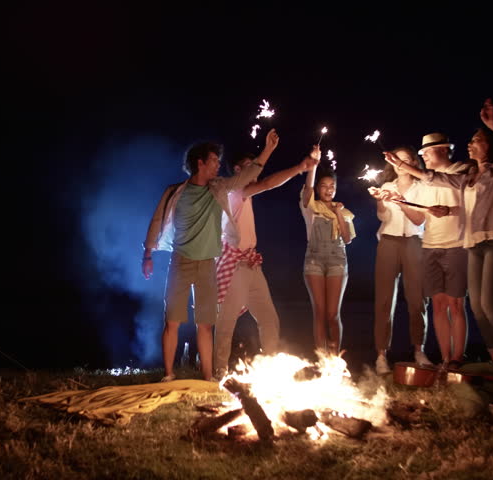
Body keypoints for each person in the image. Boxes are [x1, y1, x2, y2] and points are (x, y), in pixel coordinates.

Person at [385, 98, 493, 369]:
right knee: (478, 308)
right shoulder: (467, 179)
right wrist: (402, 170)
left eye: (477, 140)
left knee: (487, 304)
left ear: (490, 146)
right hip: (473, 244)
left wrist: (492, 125)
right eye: (471, 140)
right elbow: (433, 179)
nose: (470, 144)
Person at [142, 130, 278, 382]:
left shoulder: (219, 188)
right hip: (181, 261)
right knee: (172, 320)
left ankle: (208, 377)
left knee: (205, 323)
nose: (218, 165)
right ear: (200, 163)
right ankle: (168, 374)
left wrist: (268, 150)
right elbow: (158, 220)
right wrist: (147, 254)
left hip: (208, 264)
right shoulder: (175, 192)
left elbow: (247, 175)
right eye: (214, 160)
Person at [214, 146, 319, 378]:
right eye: (251, 167)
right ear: (238, 170)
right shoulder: (235, 191)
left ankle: (270, 367)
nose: (256, 172)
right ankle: (219, 372)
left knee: (269, 318)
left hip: (251, 262)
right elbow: (268, 183)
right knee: (227, 321)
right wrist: (299, 167)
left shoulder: (244, 193)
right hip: (235, 264)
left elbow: (265, 183)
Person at [405, 132, 473, 369]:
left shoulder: (463, 170)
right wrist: (397, 201)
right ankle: (445, 359)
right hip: (430, 246)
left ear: (444, 149)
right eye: (422, 152)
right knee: (438, 304)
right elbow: (417, 218)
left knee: (456, 304)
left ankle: (457, 359)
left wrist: (450, 211)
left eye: (427, 151)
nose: (423, 155)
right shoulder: (424, 183)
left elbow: (474, 205)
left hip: (457, 244)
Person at [366, 146, 431, 375]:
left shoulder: (422, 187)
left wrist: (401, 201)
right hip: (388, 241)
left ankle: (419, 351)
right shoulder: (387, 186)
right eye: (396, 160)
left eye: (405, 160)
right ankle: (381, 355)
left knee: (417, 298)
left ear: (413, 162)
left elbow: (419, 219)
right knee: (384, 299)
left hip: (414, 241)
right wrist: (380, 201)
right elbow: (383, 216)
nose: (400, 164)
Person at [300, 145, 355, 355]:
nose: (328, 189)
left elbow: (347, 238)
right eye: (324, 186)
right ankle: (322, 361)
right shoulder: (310, 208)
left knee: (333, 314)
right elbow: (307, 191)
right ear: (318, 188)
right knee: (320, 313)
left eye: (332, 186)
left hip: (337, 261)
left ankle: (335, 359)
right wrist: (313, 165)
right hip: (313, 261)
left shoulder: (344, 212)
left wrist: (338, 213)